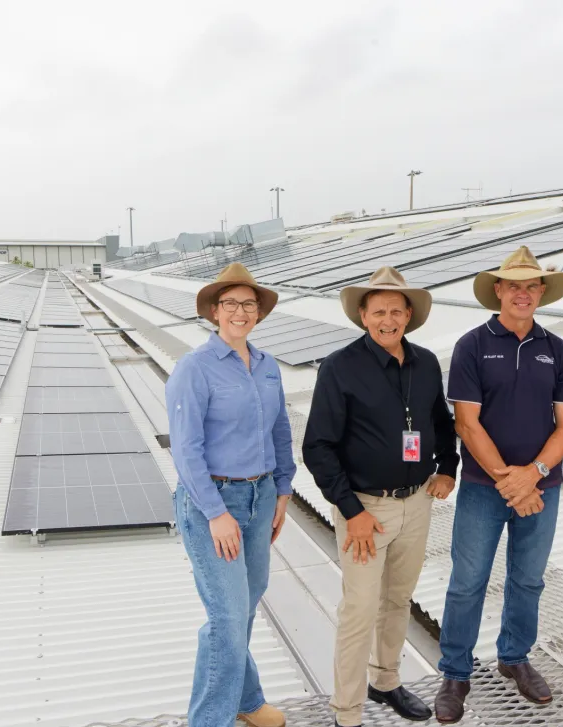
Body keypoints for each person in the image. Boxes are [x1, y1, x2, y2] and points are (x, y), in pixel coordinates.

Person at [302, 266, 459, 727]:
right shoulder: (340, 367)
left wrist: (447, 468)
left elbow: (442, 423)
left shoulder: (426, 362)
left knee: (398, 599)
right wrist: (352, 512)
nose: (387, 320)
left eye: (396, 310)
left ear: (409, 314)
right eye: (378, 312)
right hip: (365, 509)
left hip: (417, 503)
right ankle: (346, 712)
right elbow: (318, 446)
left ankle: (385, 680)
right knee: (359, 609)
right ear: (363, 317)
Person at [434, 246, 563, 724]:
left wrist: (533, 475)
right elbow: (467, 424)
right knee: (467, 582)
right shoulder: (473, 345)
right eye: (513, 285)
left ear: (541, 292)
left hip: (543, 486)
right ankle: (455, 672)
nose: (523, 292)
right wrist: (508, 480)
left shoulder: (556, 350)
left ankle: (514, 658)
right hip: (484, 487)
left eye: (531, 285)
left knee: (528, 579)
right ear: (497, 291)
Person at [165, 263, 297, 727]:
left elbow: (280, 429)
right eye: (230, 304)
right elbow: (186, 449)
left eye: (248, 304)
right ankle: (209, 720)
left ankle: (246, 700)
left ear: (258, 313)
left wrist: (283, 490)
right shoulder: (194, 369)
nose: (240, 312)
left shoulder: (266, 366)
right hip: (213, 503)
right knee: (225, 616)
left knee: (245, 602)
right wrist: (215, 513)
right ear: (214, 312)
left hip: (262, 499)